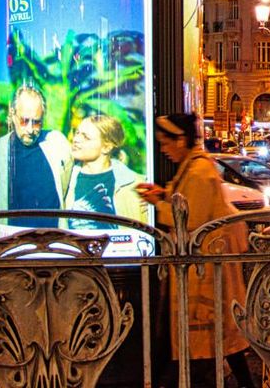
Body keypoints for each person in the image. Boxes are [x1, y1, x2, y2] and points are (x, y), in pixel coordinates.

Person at [137, 113, 251, 388]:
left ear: (182, 139)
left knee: (212, 337)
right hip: (206, 271)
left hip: (204, 274)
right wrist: (163, 194)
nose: (164, 150)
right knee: (223, 337)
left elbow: (190, 219)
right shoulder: (194, 166)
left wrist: (157, 203)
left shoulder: (199, 171)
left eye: (166, 143)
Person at [0, 84, 70, 229]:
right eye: (24, 121)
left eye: (36, 122)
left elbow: (68, 182)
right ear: (13, 115)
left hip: (52, 238)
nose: (30, 129)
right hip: (13, 239)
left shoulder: (57, 143)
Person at [64, 114, 149, 226]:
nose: (76, 139)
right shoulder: (65, 179)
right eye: (77, 133)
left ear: (107, 147)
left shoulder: (136, 184)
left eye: (86, 137)